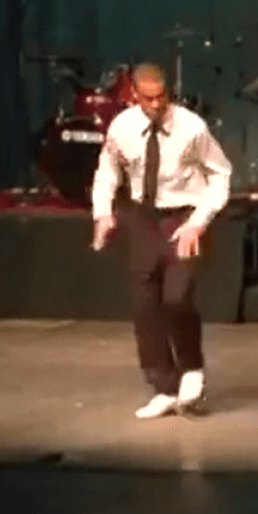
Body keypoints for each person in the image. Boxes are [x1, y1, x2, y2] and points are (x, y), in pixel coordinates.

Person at [91, 63, 232, 419]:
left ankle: (192, 370)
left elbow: (221, 174)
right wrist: (103, 213)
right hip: (142, 218)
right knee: (144, 305)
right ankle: (163, 387)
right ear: (133, 95)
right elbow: (108, 170)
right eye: (148, 99)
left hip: (184, 217)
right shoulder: (122, 127)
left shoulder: (191, 127)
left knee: (177, 298)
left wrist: (198, 222)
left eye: (162, 97)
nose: (156, 105)